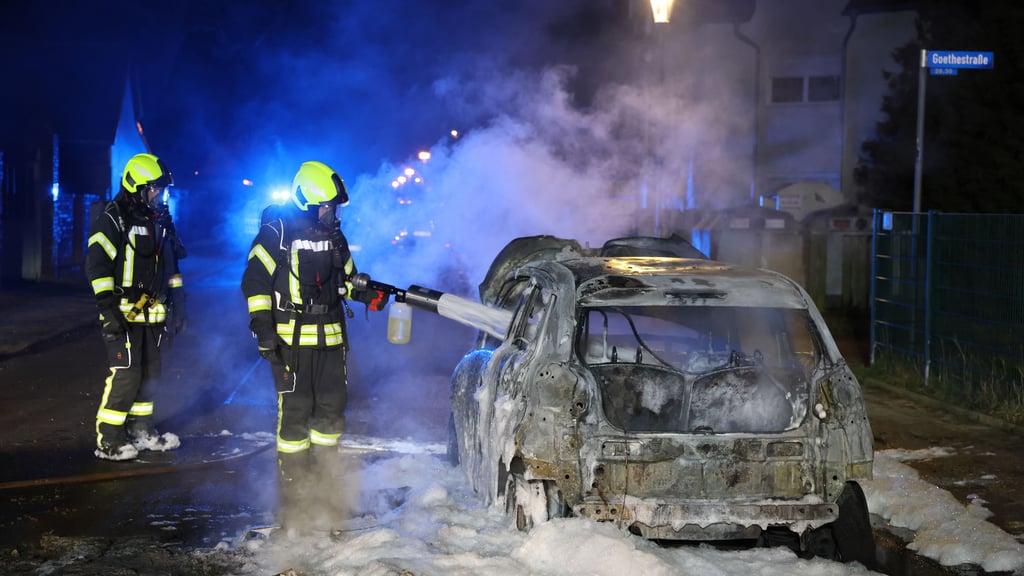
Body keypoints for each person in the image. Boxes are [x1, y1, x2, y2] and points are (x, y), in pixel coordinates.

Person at [241, 160, 386, 531]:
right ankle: (293, 501)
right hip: (292, 347)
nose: (332, 213)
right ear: (308, 202)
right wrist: (264, 331)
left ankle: (324, 490)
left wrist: (368, 293)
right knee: (294, 421)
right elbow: (255, 285)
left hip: (332, 345)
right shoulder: (276, 234)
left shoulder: (335, 238)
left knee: (331, 418)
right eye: (327, 206)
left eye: (334, 207)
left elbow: (348, 280)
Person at [85, 152, 188, 461]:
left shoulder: (160, 223)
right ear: (138, 187)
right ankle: (110, 438)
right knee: (127, 375)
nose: (160, 195)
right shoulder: (114, 217)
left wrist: (180, 305)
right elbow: (97, 266)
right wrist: (108, 310)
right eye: (156, 188)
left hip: (153, 314)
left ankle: (141, 430)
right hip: (123, 313)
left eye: (162, 189)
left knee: (150, 373)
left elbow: (172, 270)